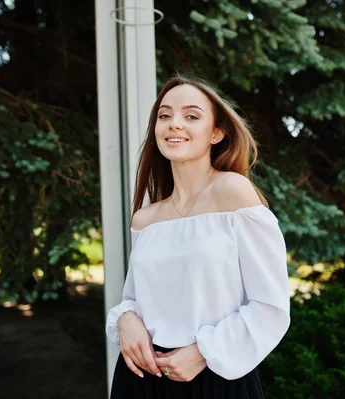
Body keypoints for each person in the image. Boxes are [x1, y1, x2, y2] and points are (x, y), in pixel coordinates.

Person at [105, 75, 291, 398]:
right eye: (165, 116)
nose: (175, 124)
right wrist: (125, 319)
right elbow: (137, 299)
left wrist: (204, 352)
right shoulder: (146, 218)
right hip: (140, 382)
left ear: (216, 133)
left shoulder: (234, 194)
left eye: (191, 116)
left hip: (216, 378)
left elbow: (270, 306)